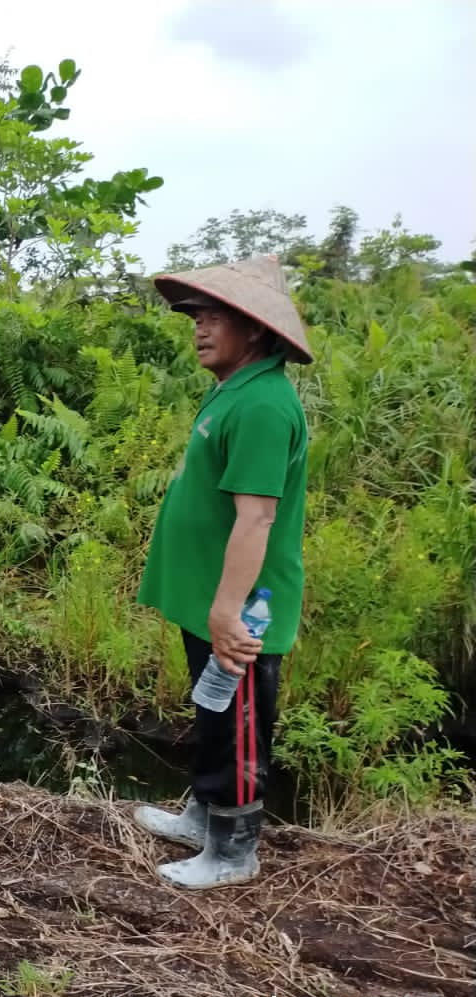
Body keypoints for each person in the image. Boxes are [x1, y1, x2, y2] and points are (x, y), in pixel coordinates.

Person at [133, 255, 313, 889]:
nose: (199, 328)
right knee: (214, 708)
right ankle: (203, 816)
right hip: (216, 594)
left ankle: (233, 852)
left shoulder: (264, 403)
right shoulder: (235, 388)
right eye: (197, 317)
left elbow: (257, 518)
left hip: (243, 604)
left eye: (214, 317)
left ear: (256, 327)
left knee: (238, 721)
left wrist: (228, 609)